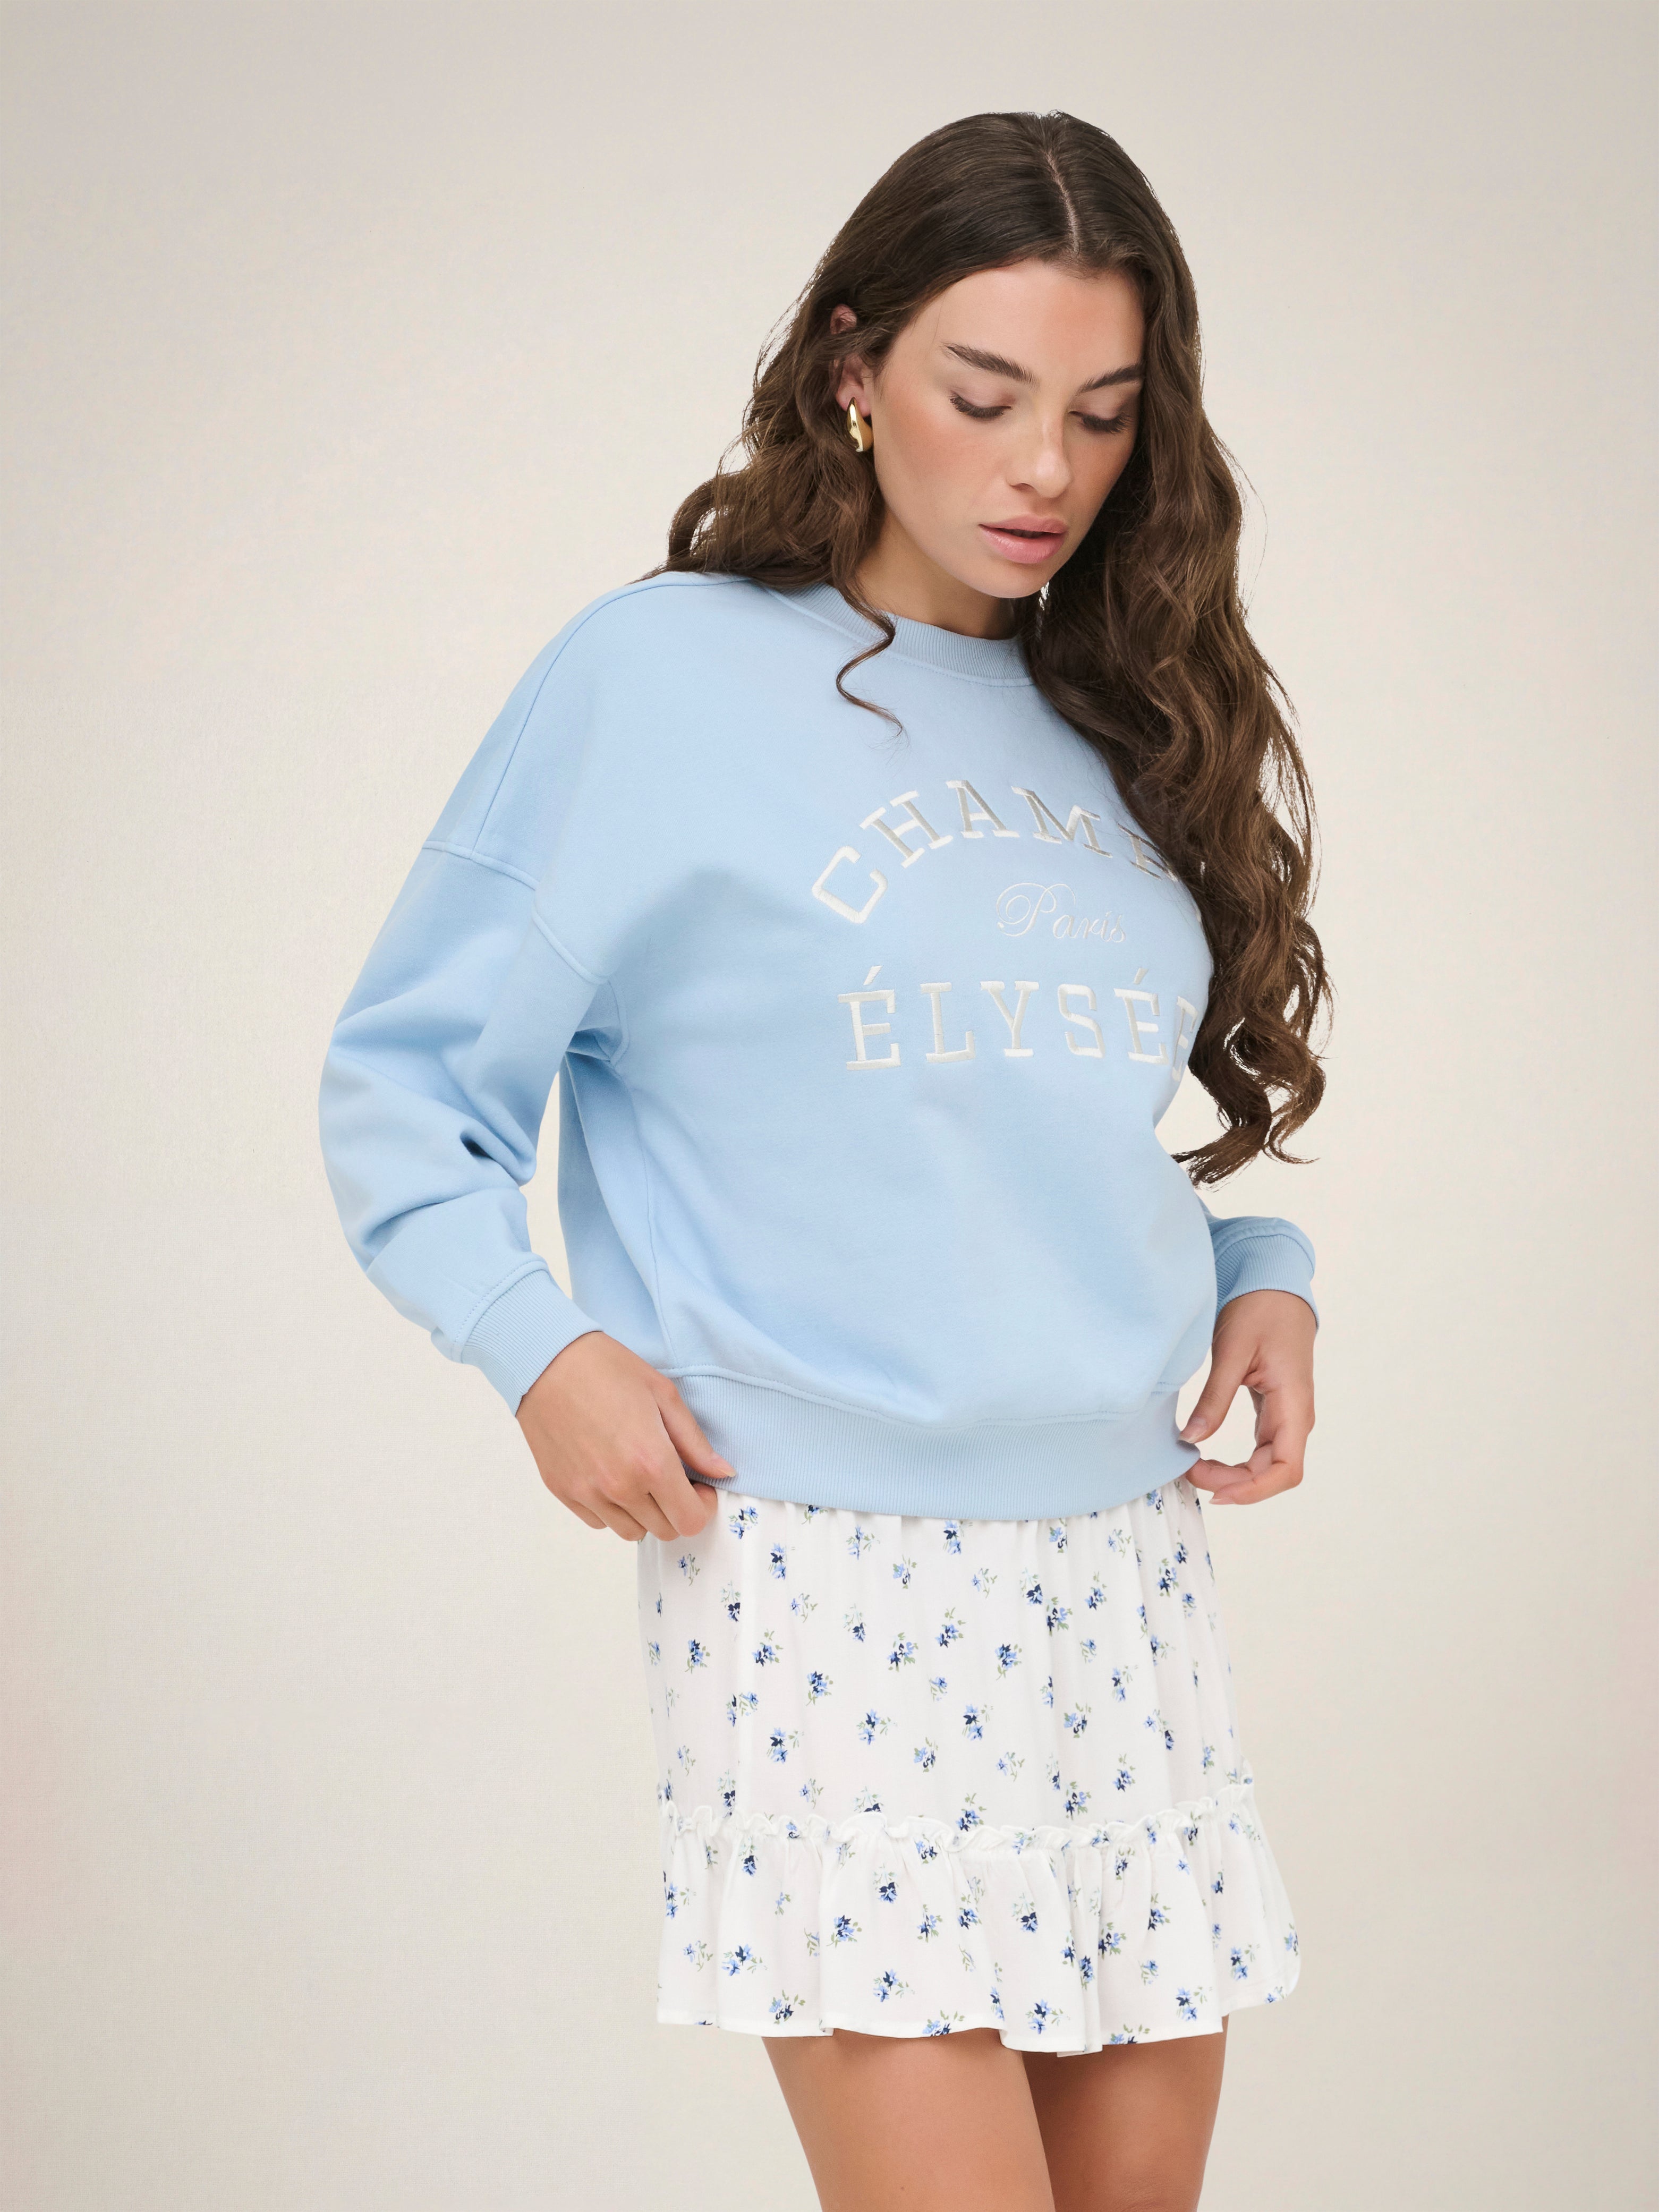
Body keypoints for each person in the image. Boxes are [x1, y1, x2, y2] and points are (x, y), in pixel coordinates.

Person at [318, 108, 1328, 2212]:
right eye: (985, 394)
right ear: (853, 369)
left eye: (1101, 413)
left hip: (1117, 1564)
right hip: (827, 1579)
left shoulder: (1124, 706)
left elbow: (1013, 1119)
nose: (1044, 468)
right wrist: (535, 1344)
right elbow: (406, 1083)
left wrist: (1260, 1269)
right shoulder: (657, 677)